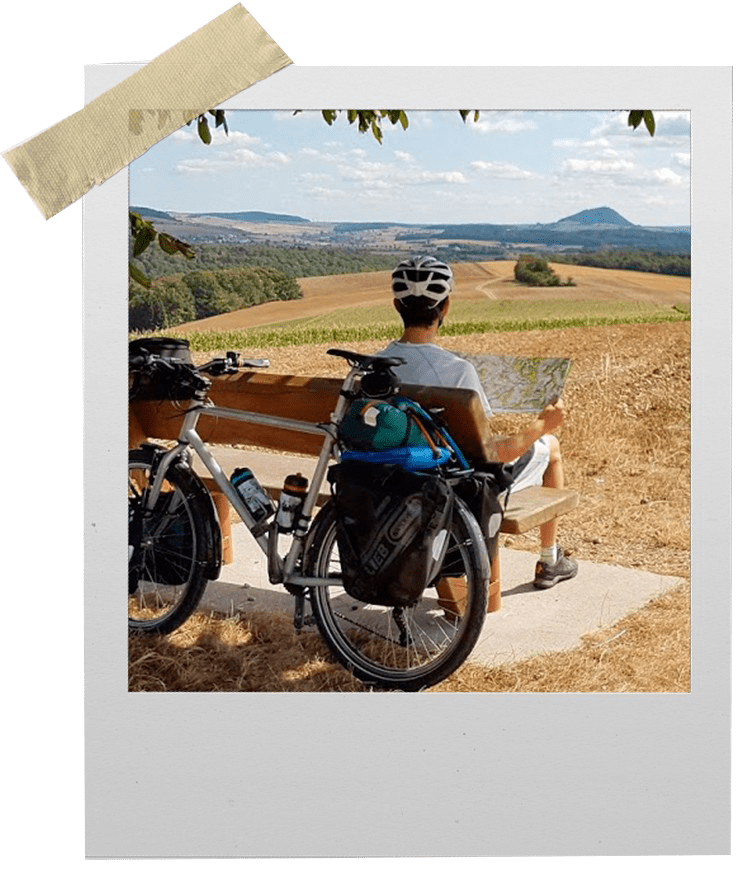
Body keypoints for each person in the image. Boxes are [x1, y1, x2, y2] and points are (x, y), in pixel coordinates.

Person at [376, 255, 578, 589]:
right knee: (551, 448)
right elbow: (492, 453)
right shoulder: (456, 371)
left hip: (388, 479)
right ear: (446, 307)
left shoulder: (374, 366)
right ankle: (549, 560)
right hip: (450, 486)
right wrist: (544, 424)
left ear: (397, 305)